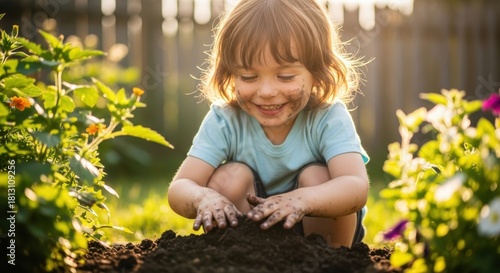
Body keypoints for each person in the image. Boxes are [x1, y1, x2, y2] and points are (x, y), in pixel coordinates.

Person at [167, 0, 369, 248]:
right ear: (230, 74)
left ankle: (330, 259)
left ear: (318, 72)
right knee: (229, 178)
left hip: (321, 229)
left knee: (318, 177)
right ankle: (234, 256)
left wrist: (301, 200)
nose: (266, 91)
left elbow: (356, 187)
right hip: (251, 235)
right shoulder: (226, 120)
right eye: (249, 76)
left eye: (285, 76)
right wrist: (202, 198)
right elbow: (180, 187)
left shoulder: (328, 117)